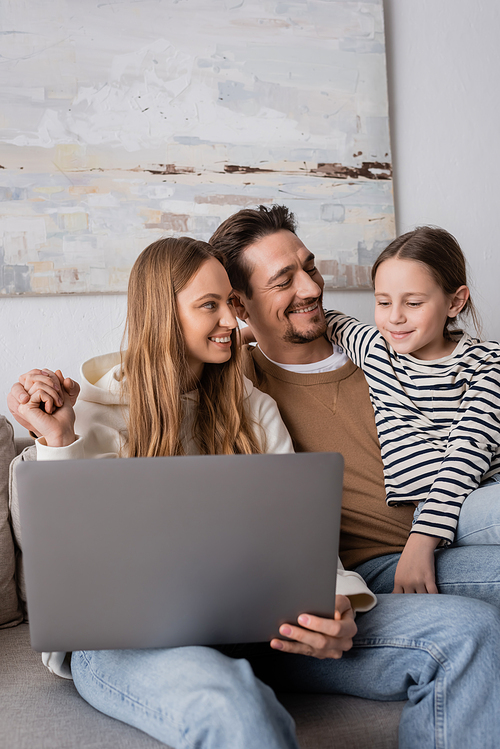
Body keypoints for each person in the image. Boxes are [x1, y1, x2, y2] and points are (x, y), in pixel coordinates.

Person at [9, 236, 500, 748]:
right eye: (209, 306)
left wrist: (337, 605)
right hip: (124, 642)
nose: (231, 320)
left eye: (230, 303)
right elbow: (78, 564)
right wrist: (59, 439)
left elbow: (297, 535)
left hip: (254, 623)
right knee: (232, 706)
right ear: (162, 315)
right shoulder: (88, 411)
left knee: (473, 632)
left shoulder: (252, 406)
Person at [208, 205, 500, 607]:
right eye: (283, 282)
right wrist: (233, 337)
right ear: (240, 307)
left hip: (463, 518)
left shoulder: (387, 348)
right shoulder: (238, 385)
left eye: (309, 268)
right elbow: (153, 375)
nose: (311, 289)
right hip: (384, 564)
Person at [324, 226, 500, 594]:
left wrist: (419, 541)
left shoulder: (488, 363)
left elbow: (468, 453)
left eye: (413, 303)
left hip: (476, 494)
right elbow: (324, 320)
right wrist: (247, 332)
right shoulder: (374, 348)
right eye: (383, 302)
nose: (394, 318)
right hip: (440, 512)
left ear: (455, 302)